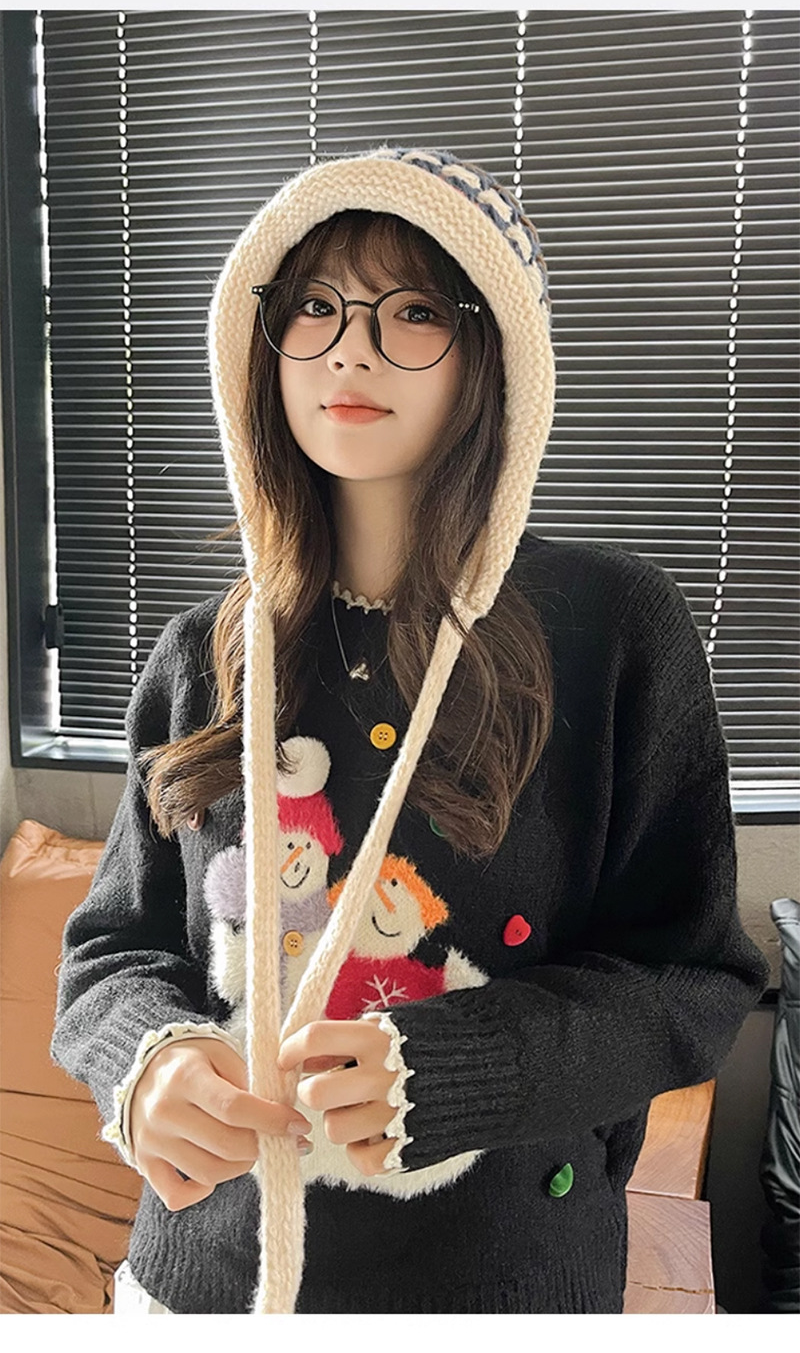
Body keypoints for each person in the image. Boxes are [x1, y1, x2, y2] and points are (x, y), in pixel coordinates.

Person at [50, 143, 770, 1315]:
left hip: (501, 1286)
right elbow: (114, 945)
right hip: (203, 1286)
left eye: (414, 311)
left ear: (493, 355)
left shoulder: (611, 629)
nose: (349, 348)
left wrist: (462, 1064)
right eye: (314, 307)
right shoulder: (204, 651)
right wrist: (147, 1056)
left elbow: (690, 979)